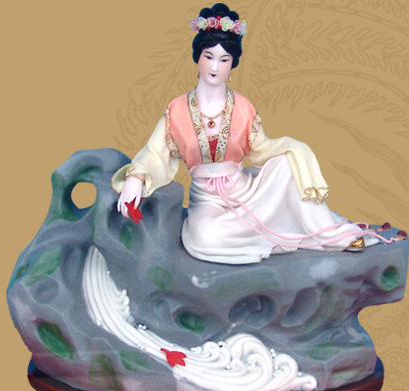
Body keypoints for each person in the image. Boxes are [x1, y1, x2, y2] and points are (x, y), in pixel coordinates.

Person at [112, 3, 386, 264]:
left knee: (288, 163)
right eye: (208, 57)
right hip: (208, 201)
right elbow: (155, 154)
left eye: (224, 59)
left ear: (232, 64)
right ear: (198, 57)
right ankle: (272, 238)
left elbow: (262, 150)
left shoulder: (243, 107)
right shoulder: (178, 110)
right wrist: (136, 179)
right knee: (204, 237)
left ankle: (331, 234)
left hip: (246, 193)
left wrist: (293, 148)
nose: (215, 67)